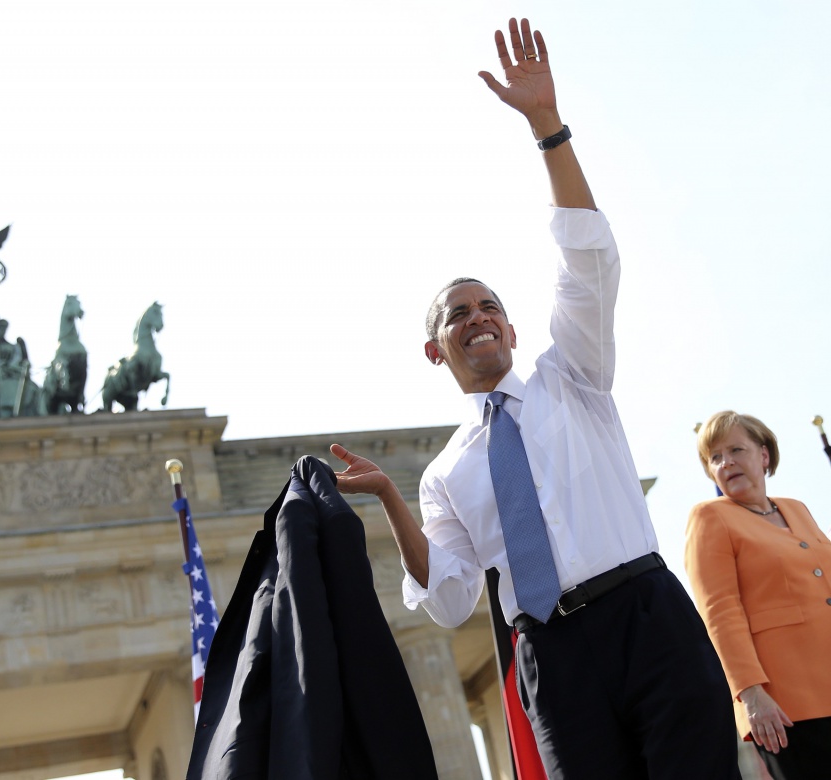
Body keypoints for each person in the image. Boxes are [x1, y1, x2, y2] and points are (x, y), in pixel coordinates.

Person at [331, 18, 741, 779]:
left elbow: (588, 259)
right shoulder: (444, 475)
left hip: (645, 616)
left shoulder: (572, 375)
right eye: (459, 314)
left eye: (489, 306)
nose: (478, 317)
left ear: (513, 328)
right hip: (550, 656)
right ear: (436, 349)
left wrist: (548, 128)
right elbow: (451, 599)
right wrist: (388, 496)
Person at [686, 411, 831, 780]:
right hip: (786, 705)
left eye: (736, 449)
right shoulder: (709, 517)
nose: (726, 462)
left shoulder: (797, 508)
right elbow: (718, 612)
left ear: (764, 456)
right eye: (715, 457)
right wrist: (750, 694)